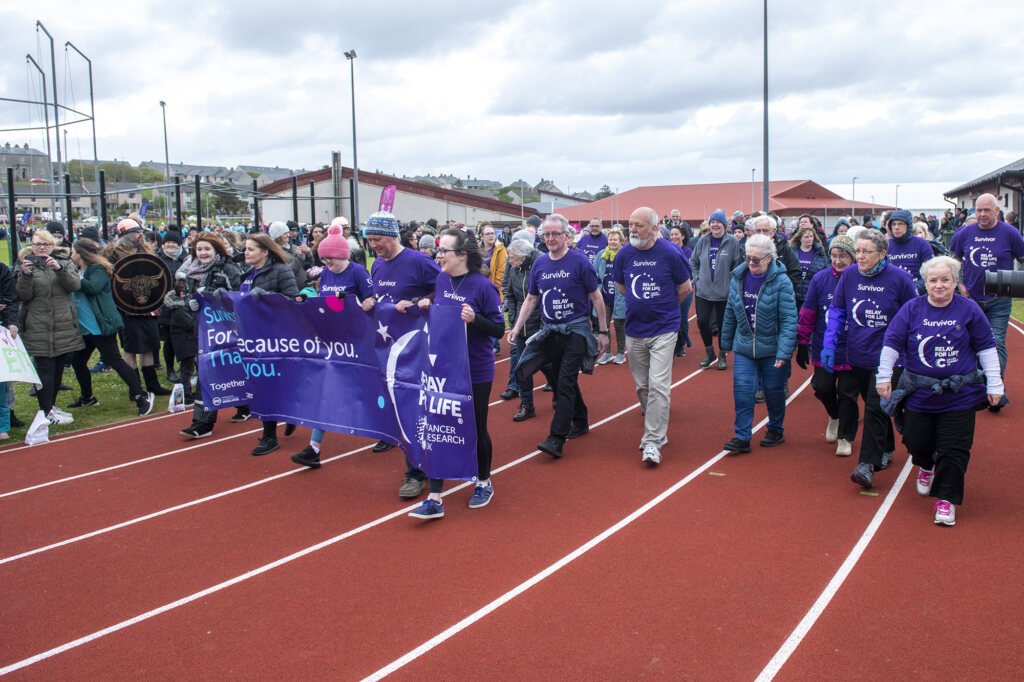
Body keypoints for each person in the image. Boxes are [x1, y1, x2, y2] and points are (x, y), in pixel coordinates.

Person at [876, 256, 1003, 526]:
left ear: (956, 282)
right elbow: (892, 343)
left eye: (946, 279)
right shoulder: (912, 309)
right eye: (933, 280)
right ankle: (925, 464)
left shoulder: (969, 309)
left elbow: (986, 347)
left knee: (955, 449)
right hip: (920, 395)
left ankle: (946, 500)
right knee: (916, 442)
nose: (940, 285)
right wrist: (884, 377)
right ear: (925, 282)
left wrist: (995, 383)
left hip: (960, 395)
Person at [408, 229, 504, 519]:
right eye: (438, 250)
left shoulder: (483, 287)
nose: (438, 256)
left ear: (462, 255)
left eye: (444, 251)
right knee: (437, 427)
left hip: (475, 368)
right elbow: (440, 317)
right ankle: (435, 497)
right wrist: (425, 306)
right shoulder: (441, 279)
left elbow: (499, 329)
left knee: (475, 428)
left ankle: (483, 481)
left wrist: (475, 319)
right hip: (443, 368)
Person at [506, 214, 608, 459]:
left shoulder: (580, 262)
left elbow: (596, 297)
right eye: (546, 235)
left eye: (555, 234)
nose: (550, 238)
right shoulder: (541, 264)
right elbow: (531, 299)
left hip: (575, 330)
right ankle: (581, 420)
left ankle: (556, 438)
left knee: (563, 382)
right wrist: (517, 327)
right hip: (550, 330)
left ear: (566, 236)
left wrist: (603, 331)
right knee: (559, 377)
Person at [822, 228, 917, 488]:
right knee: (873, 405)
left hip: (889, 359)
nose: (860, 256)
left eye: (866, 252)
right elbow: (838, 311)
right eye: (858, 251)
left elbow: (915, 315)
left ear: (882, 254)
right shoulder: (850, 274)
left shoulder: (900, 279)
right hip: (857, 353)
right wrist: (829, 345)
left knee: (875, 406)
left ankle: (866, 464)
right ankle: (886, 447)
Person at [364, 210, 441, 497]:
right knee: (401, 409)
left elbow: (444, 289)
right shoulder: (377, 266)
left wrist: (420, 300)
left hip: (419, 348)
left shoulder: (419, 262)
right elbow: (379, 296)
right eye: (370, 240)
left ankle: (415, 473)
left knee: (415, 407)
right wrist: (370, 301)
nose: (374, 245)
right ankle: (417, 463)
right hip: (389, 351)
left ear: (393, 235)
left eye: (378, 239)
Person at [290, 225, 375, 468]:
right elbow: (325, 301)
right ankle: (313, 448)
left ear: (343, 255)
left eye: (330, 258)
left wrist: (357, 300)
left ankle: (390, 433)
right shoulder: (326, 275)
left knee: (371, 389)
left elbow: (373, 299)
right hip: (334, 342)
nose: (326, 263)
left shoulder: (358, 272)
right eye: (323, 258)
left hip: (360, 341)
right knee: (325, 390)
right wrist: (308, 300)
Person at [613, 207, 692, 464]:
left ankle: (652, 440)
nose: (633, 230)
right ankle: (654, 422)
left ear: (655, 228)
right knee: (643, 385)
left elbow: (685, 288)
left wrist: (665, 307)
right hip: (635, 330)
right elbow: (622, 286)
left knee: (659, 385)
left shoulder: (671, 253)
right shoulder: (624, 254)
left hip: (665, 329)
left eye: (639, 225)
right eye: (630, 224)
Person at [720, 234, 798, 452]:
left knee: (774, 390)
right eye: (748, 258)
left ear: (770, 257)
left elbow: (790, 319)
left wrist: (784, 353)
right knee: (742, 390)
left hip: (771, 348)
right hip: (744, 346)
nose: (751, 263)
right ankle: (742, 436)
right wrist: (725, 342)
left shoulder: (781, 281)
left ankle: (775, 428)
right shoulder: (738, 278)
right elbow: (730, 312)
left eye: (756, 259)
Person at [949, 192, 1024, 401]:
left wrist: (1014, 282)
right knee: (968, 342)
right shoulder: (964, 233)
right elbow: (952, 262)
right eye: (979, 210)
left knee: (996, 341)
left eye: (986, 210)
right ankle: (974, 383)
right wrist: (960, 285)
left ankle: (995, 388)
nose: (982, 214)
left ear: (997, 211)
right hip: (970, 299)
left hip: (999, 300)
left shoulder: (1010, 233)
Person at [67, 238, 154, 416]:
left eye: (73, 251)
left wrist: (77, 277)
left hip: (100, 326)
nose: (71, 255)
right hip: (86, 329)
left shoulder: (96, 269)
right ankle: (87, 397)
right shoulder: (81, 270)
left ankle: (141, 396)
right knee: (78, 361)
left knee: (115, 361)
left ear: (81, 254)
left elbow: (92, 288)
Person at [175, 234, 244, 438]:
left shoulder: (228, 268)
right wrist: (190, 304)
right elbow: (188, 296)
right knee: (206, 370)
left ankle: (246, 404)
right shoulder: (191, 271)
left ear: (216, 250)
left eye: (207, 249)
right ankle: (202, 423)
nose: (203, 253)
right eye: (199, 249)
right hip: (205, 333)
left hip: (229, 329)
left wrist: (223, 297)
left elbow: (240, 294)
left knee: (234, 369)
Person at [796, 235, 858, 456]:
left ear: (852, 257)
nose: (838, 260)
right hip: (824, 345)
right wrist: (802, 341)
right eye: (834, 255)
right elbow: (809, 311)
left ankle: (845, 437)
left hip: (852, 348)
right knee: (822, 387)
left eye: (843, 256)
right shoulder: (820, 279)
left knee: (848, 393)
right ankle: (835, 415)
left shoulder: (860, 278)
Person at [240, 233, 301, 455]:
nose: (245, 252)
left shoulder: (281, 271)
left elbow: (293, 300)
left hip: (276, 337)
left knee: (270, 384)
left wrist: (267, 296)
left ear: (265, 251)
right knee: (263, 384)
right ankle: (288, 413)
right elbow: (241, 302)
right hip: (254, 337)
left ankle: (269, 437)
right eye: (245, 248)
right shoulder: (247, 274)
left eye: (250, 249)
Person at [16, 228, 84, 425]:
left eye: (46, 244)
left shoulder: (64, 261)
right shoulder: (23, 265)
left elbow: (75, 286)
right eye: (37, 244)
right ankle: (45, 411)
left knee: (58, 367)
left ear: (52, 246)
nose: (42, 248)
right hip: (38, 325)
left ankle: (50, 407)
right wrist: (26, 275)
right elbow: (22, 296)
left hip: (62, 323)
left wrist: (59, 270)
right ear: (32, 246)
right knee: (45, 367)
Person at [105, 218, 171, 397]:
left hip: (148, 308)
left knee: (150, 346)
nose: (139, 235)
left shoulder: (146, 252)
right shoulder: (112, 256)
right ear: (125, 235)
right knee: (131, 349)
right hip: (127, 309)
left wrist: (157, 301)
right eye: (135, 232)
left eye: (139, 231)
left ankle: (152, 385)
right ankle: (136, 388)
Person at [690, 210, 744, 370]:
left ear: (725, 225)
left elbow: (738, 264)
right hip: (703, 290)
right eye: (712, 222)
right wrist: (698, 279)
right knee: (702, 321)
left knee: (722, 325)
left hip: (724, 292)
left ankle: (722, 354)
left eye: (718, 222)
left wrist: (731, 281)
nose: (715, 225)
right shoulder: (703, 241)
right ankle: (709, 352)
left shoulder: (732, 241)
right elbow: (693, 261)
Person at [501, 233, 544, 417]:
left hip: (540, 325)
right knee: (522, 366)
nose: (509, 261)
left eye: (512, 258)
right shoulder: (513, 268)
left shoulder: (541, 264)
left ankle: (560, 394)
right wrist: (513, 320)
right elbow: (510, 294)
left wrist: (544, 325)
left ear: (524, 257)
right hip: (521, 325)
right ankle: (527, 405)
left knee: (547, 365)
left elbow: (543, 299)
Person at [157, 230, 187, 383]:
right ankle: (169, 369)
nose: (170, 245)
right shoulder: (158, 258)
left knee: (184, 339)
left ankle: (184, 366)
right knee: (168, 339)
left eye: (173, 242)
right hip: (166, 305)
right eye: (167, 242)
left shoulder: (185, 258)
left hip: (183, 304)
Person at [595, 227, 627, 365]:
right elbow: (594, 272)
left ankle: (621, 353)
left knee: (620, 326)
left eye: (615, 239)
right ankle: (607, 353)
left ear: (621, 241)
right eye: (610, 239)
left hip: (620, 297)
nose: (612, 242)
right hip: (604, 297)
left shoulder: (625, 254)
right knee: (604, 326)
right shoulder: (601, 255)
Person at [479, 222, 507, 355]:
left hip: (493, 288)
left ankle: (494, 345)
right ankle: (486, 343)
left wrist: (494, 288)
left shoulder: (500, 249)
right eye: (488, 234)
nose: (491, 236)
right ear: (482, 236)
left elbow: (502, 271)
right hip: (479, 288)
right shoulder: (478, 249)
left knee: (493, 316)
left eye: (492, 233)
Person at [885, 209, 933, 285]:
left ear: (908, 225)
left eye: (900, 224)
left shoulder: (922, 244)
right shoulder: (885, 245)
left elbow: (931, 273)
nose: (896, 227)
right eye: (894, 224)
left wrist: (916, 289)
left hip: (917, 291)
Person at [0, 259, 19, 438]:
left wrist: (12, 322)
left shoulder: (1, 269)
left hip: (1, 330)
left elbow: (10, 299)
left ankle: (3, 424)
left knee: (2, 380)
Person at [668, 225, 694, 357]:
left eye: (676, 234)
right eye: (671, 234)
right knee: (672, 317)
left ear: (683, 236)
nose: (673, 237)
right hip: (670, 288)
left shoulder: (687, 251)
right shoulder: (668, 249)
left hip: (684, 288)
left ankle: (682, 344)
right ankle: (673, 344)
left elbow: (687, 271)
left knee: (683, 317)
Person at [789, 225, 829, 309]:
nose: (809, 239)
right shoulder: (792, 251)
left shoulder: (819, 252)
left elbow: (825, 271)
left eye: (811, 236)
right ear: (800, 238)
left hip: (811, 293)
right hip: (793, 293)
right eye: (806, 237)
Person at [267, 221, 308, 291]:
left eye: (288, 233)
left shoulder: (293, 247)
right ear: (278, 236)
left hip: (301, 287)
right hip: (290, 289)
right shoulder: (275, 252)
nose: (288, 235)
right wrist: (299, 257)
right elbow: (287, 271)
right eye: (285, 233)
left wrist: (308, 253)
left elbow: (310, 262)